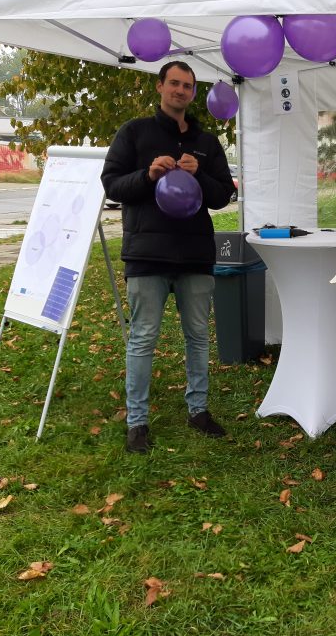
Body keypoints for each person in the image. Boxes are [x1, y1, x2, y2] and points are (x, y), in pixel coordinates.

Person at [102, 61, 236, 454]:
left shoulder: (206, 142)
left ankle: (198, 410)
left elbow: (222, 195)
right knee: (143, 338)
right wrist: (148, 175)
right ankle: (137, 422)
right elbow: (112, 185)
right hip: (147, 255)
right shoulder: (135, 132)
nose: (180, 90)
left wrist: (200, 176)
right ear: (161, 87)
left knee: (197, 337)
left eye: (188, 86)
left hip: (195, 254)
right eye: (174, 83)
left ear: (194, 93)